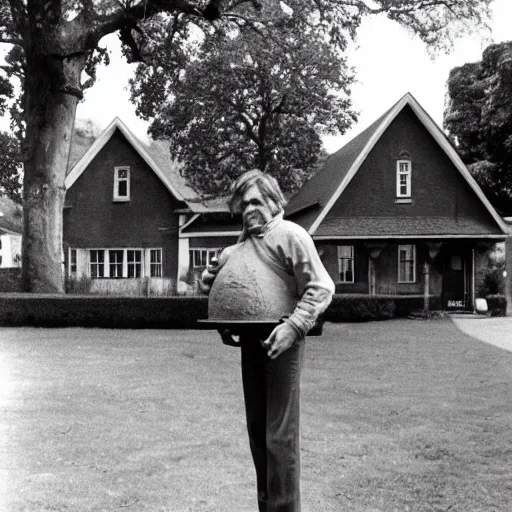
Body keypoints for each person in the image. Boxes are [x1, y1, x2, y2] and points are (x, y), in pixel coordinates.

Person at [201, 169, 335, 512]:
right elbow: (223, 292)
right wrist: (213, 289)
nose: (249, 208)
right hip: (250, 342)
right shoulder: (237, 248)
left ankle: (286, 508)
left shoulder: (292, 235)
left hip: (283, 342)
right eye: (244, 203)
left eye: (257, 200)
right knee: (258, 433)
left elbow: (321, 288)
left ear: (275, 201)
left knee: (280, 436)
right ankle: (268, 507)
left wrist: (293, 327)